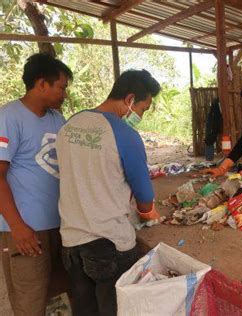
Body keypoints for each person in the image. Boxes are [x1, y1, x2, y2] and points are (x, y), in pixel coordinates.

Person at [56, 69, 161, 316]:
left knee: (84, 309)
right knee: (115, 309)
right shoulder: (126, 135)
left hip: (70, 242)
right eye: (143, 109)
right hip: (108, 244)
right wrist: (147, 213)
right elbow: (144, 198)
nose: (140, 116)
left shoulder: (70, 124)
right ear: (130, 99)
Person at [0, 53, 72, 316]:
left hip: (60, 225)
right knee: (30, 299)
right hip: (27, 230)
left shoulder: (56, 119)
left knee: (60, 295)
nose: (64, 94)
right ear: (41, 83)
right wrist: (18, 228)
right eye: (61, 87)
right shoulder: (8, 117)